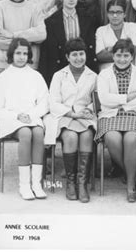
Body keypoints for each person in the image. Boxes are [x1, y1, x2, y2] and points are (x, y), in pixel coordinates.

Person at [0, 38, 49, 200]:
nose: (21, 57)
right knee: (25, 134)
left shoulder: (36, 76)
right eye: (18, 53)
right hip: (11, 120)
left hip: (32, 117)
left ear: (29, 55)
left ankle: (36, 183)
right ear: (11, 54)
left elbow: (44, 102)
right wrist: (16, 116)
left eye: (25, 53)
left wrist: (31, 115)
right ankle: (24, 185)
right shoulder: (3, 77)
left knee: (38, 132)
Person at [43, 38, 97, 203]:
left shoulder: (93, 76)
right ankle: (71, 183)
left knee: (87, 136)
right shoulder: (59, 75)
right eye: (74, 54)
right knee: (71, 137)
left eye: (81, 54)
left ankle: (83, 183)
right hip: (65, 116)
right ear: (67, 57)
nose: (78, 58)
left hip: (85, 116)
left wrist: (87, 110)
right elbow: (53, 102)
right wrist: (71, 114)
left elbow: (96, 99)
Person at [96, 38, 136, 202]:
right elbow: (104, 99)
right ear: (113, 56)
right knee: (112, 138)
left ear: (132, 57)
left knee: (131, 139)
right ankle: (131, 174)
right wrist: (126, 97)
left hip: (135, 113)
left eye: (126, 55)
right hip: (110, 114)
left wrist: (120, 102)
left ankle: (131, 185)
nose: (122, 59)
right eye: (118, 55)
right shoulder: (104, 74)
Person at [39, 0, 97, 85]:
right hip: (60, 67)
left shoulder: (88, 18)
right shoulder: (51, 22)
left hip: (83, 65)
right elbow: (47, 51)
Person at [95, 0, 136, 72]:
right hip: (108, 73)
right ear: (107, 14)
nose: (115, 15)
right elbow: (100, 56)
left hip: (129, 72)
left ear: (124, 14)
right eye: (111, 12)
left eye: (119, 12)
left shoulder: (132, 27)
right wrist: (126, 51)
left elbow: (134, 50)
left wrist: (111, 49)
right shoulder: (101, 30)